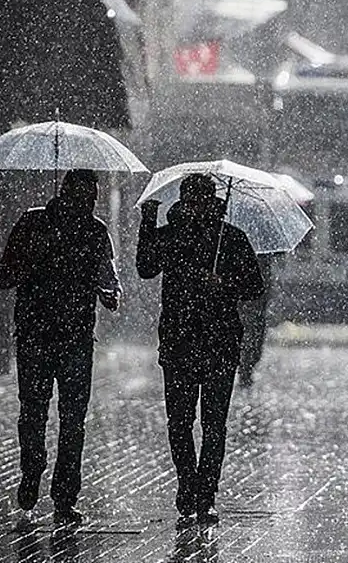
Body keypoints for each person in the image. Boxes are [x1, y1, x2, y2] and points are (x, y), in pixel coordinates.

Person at [137, 174, 264, 527]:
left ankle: (206, 494)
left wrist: (223, 282)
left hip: (220, 342)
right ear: (183, 202)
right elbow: (146, 268)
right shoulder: (171, 233)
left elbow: (254, 287)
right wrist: (148, 223)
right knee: (179, 422)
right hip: (179, 341)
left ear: (212, 202)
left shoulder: (231, 239)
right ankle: (187, 483)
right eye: (190, 201)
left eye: (201, 202)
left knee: (213, 424)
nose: (195, 208)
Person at [0, 169, 121, 526]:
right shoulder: (32, 224)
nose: (87, 205)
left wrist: (109, 293)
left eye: (91, 199)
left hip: (76, 339)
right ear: (64, 193)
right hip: (37, 336)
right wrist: (35, 257)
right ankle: (33, 469)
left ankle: (65, 496)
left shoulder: (95, 231)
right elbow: (4, 276)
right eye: (83, 197)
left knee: (71, 420)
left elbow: (108, 279)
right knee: (35, 412)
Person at [237, 253, 273, 387]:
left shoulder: (264, 258)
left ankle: (246, 366)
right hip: (247, 305)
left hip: (256, 306)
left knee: (254, 338)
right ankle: (244, 367)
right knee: (250, 337)